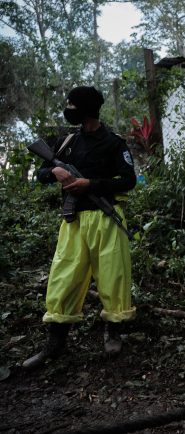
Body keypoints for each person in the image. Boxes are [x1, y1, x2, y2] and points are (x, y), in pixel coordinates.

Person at [23, 86, 137, 369]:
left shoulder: (114, 143)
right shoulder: (66, 142)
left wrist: (91, 184)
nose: (68, 109)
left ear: (86, 109)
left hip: (106, 218)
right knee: (63, 278)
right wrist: (55, 171)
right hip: (72, 220)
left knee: (113, 277)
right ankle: (55, 342)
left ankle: (113, 330)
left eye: (72, 105)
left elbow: (128, 180)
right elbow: (40, 175)